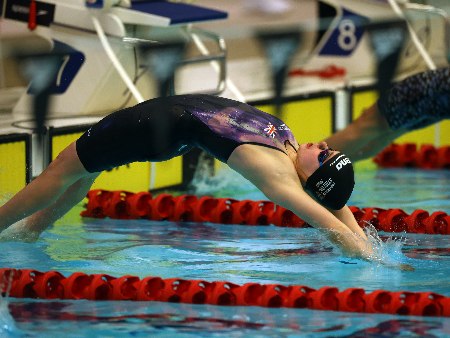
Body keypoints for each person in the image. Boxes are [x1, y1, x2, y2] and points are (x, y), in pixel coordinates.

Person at [0, 94, 374, 261]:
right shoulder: (290, 148)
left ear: (310, 177)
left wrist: (365, 256)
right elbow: (333, 203)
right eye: (329, 148)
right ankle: (32, 229)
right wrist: (368, 242)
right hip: (166, 121)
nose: (323, 143)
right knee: (84, 168)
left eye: (324, 155)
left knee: (62, 171)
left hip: (153, 126)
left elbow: (322, 217)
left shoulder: (275, 173)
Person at [324, 67, 450, 160]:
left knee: (365, 129)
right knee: (376, 134)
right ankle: (317, 174)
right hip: (437, 100)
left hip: (434, 92)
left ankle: (310, 174)